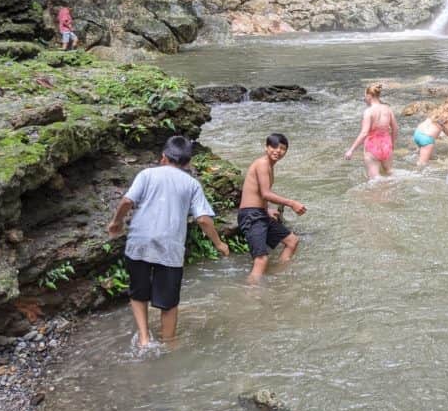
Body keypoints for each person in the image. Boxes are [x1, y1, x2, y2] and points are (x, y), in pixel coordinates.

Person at [106, 135, 229, 348]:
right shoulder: (192, 184)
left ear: (163, 157)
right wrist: (218, 243)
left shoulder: (146, 174)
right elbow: (203, 219)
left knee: (138, 292)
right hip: (170, 247)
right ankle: (169, 343)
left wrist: (116, 222)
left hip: (139, 242)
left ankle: (144, 338)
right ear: (188, 163)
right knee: (169, 302)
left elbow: (127, 200)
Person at [237, 133, 306, 283]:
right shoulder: (262, 164)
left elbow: (257, 193)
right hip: (251, 216)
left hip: (260, 213)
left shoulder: (269, 165)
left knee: (292, 241)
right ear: (266, 147)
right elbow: (265, 193)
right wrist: (292, 203)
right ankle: (251, 295)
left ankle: (278, 276)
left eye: (282, 148)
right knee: (261, 259)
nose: (278, 151)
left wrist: (266, 209)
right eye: (274, 146)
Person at [345, 83, 400, 179]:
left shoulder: (368, 112)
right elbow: (395, 128)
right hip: (387, 145)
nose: (364, 99)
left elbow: (364, 133)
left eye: (365, 96)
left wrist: (351, 150)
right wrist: (392, 144)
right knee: (390, 172)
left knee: (375, 179)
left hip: (372, 146)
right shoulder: (388, 109)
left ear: (369, 96)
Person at [413, 94, 448, 167]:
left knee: (428, 157)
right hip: (426, 139)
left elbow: (447, 132)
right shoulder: (447, 118)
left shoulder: (436, 112)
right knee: (421, 165)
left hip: (417, 133)